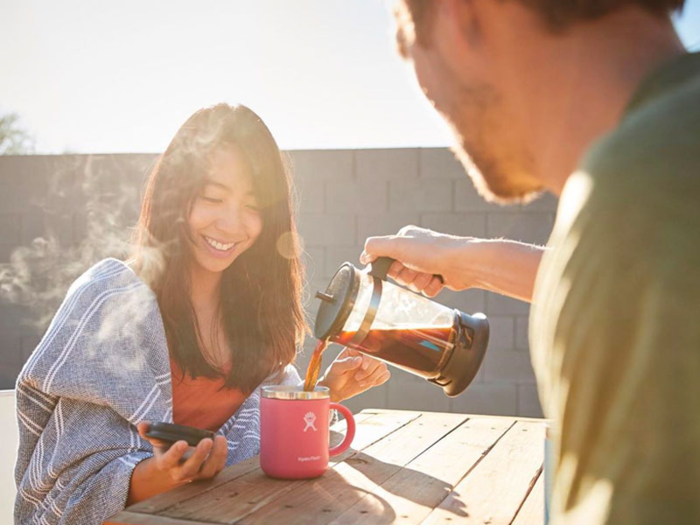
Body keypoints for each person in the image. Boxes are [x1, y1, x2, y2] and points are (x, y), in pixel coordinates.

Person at [361, 1, 699, 523]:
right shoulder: (670, 158)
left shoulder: (639, 194)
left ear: (462, 15)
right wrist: (462, 259)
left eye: (414, 57)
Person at [15, 104, 390, 524]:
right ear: (175, 195)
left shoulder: (254, 311)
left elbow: (259, 437)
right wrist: (162, 475)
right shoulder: (113, 302)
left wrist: (323, 394)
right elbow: (72, 482)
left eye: (253, 207)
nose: (231, 224)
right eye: (212, 197)